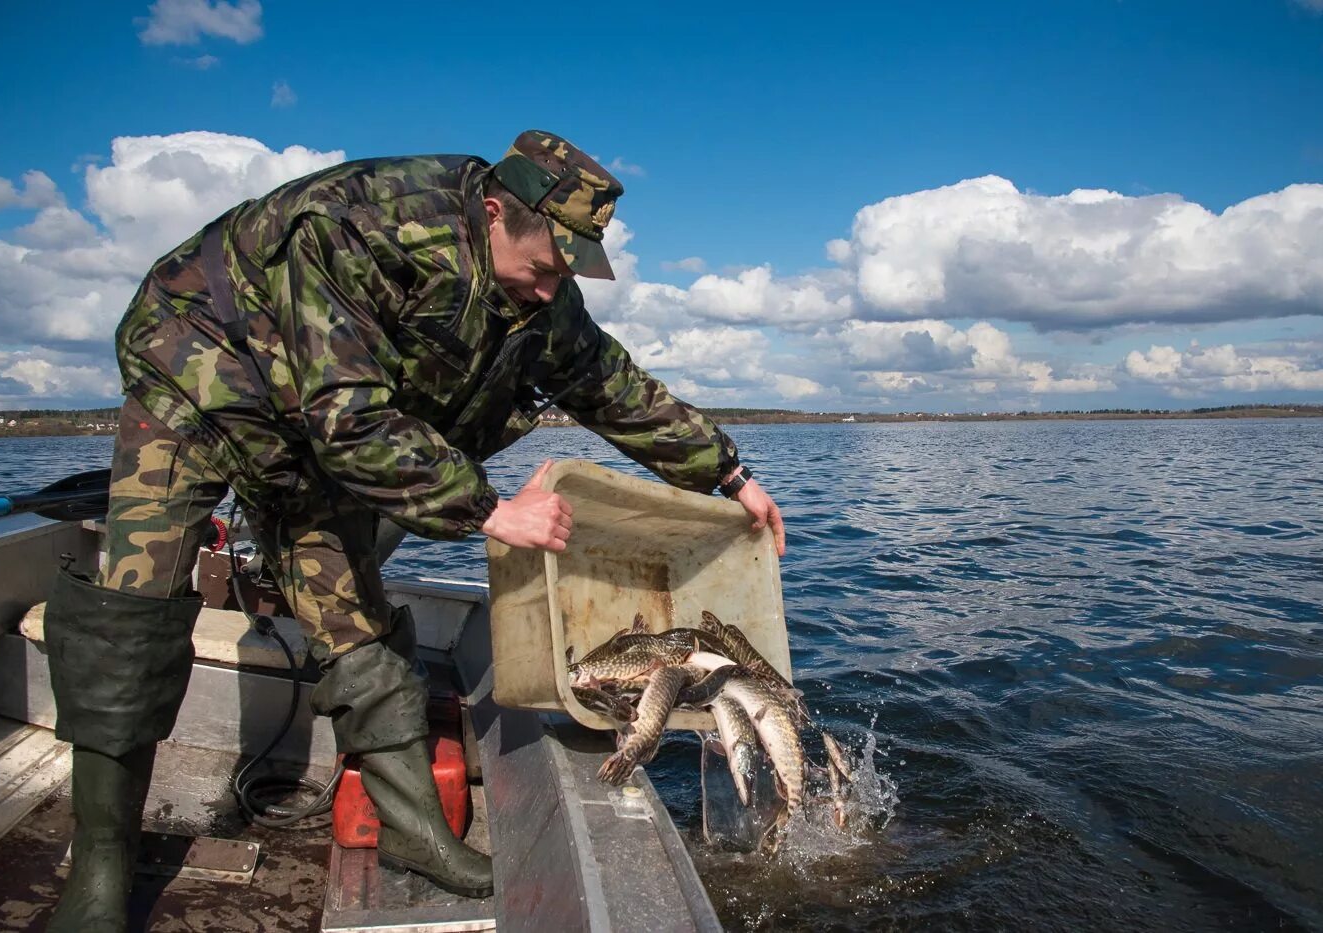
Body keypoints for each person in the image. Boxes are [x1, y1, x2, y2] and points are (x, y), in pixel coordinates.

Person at [41, 130, 785, 929]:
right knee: (134, 611)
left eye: (566, 272)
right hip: (198, 378)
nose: (549, 290)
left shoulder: (539, 288)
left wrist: (728, 472)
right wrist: (492, 510)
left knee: (354, 616)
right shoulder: (352, 227)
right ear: (494, 212)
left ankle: (414, 829)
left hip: (312, 432)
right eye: (542, 267)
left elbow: (607, 381)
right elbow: (349, 418)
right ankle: (101, 866)